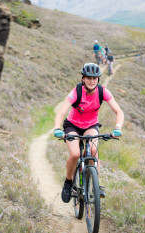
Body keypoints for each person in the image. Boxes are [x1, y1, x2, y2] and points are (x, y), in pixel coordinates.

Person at [54, 63, 124, 203]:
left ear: (98, 79)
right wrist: (57, 128)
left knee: (93, 150)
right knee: (75, 154)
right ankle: (68, 182)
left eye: (95, 78)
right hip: (72, 125)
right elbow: (61, 112)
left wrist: (118, 128)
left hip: (91, 125)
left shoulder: (102, 91)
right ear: (83, 79)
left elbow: (119, 111)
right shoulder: (76, 92)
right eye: (89, 78)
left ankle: (96, 185)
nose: (92, 81)